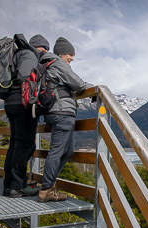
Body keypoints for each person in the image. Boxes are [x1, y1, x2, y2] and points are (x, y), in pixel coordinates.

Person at [38, 37, 92, 202]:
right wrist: (95, 89)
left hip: (56, 112)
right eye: (70, 55)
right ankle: (46, 189)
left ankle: (49, 183)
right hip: (61, 113)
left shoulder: (48, 65)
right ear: (62, 53)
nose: (72, 59)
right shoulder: (58, 64)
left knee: (67, 151)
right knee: (57, 151)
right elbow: (78, 83)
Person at [4, 34, 50, 198]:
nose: (46, 52)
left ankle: (9, 186)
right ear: (41, 47)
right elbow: (26, 76)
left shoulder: (19, 54)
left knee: (15, 144)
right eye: (45, 48)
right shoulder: (30, 55)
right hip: (22, 104)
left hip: (11, 102)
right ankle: (18, 187)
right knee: (25, 146)